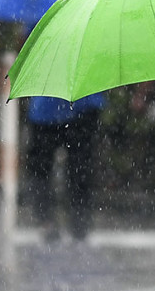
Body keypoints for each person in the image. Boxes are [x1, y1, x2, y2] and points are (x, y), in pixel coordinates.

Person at [25, 93, 104, 242]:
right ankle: (63, 221)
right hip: (60, 109)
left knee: (77, 169)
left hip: (66, 109)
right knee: (74, 169)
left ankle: (68, 221)